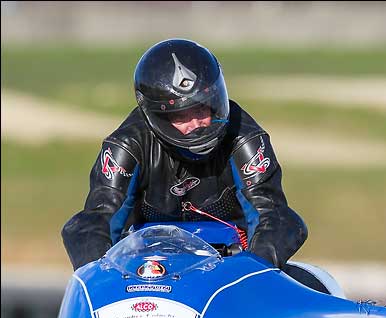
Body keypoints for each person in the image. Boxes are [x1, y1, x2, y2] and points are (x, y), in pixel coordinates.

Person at [61, 38, 307, 270]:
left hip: (232, 271)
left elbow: (273, 216)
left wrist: (253, 271)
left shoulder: (245, 138)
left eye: (203, 108)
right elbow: (95, 221)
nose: (197, 124)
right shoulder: (126, 146)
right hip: (143, 270)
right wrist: (102, 275)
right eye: (181, 116)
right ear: (157, 117)